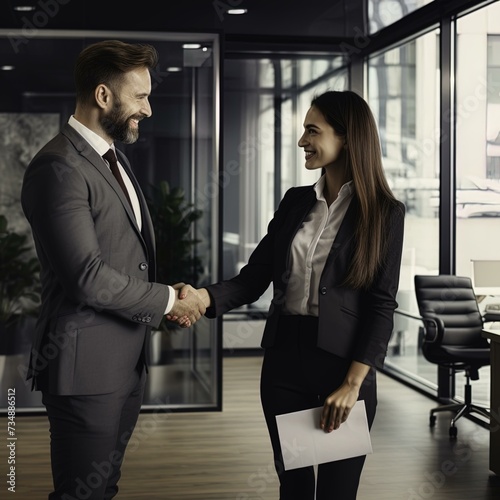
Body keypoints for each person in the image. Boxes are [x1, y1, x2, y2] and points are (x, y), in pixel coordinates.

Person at [178, 90, 405, 499]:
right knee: (295, 486)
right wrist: (202, 298)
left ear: (347, 138)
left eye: (312, 131)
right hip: (285, 365)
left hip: (342, 367)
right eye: (304, 130)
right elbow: (255, 277)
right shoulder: (295, 202)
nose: (302, 140)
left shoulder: (384, 212)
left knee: (336, 491)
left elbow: (381, 304)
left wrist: (353, 384)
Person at [21, 39, 204, 499]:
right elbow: (86, 275)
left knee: (103, 488)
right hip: (85, 371)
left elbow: (126, 254)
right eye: (140, 96)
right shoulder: (58, 166)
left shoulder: (112, 157)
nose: (148, 108)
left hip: (123, 364)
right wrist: (166, 300)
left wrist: (167, 290)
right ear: (104, 96)